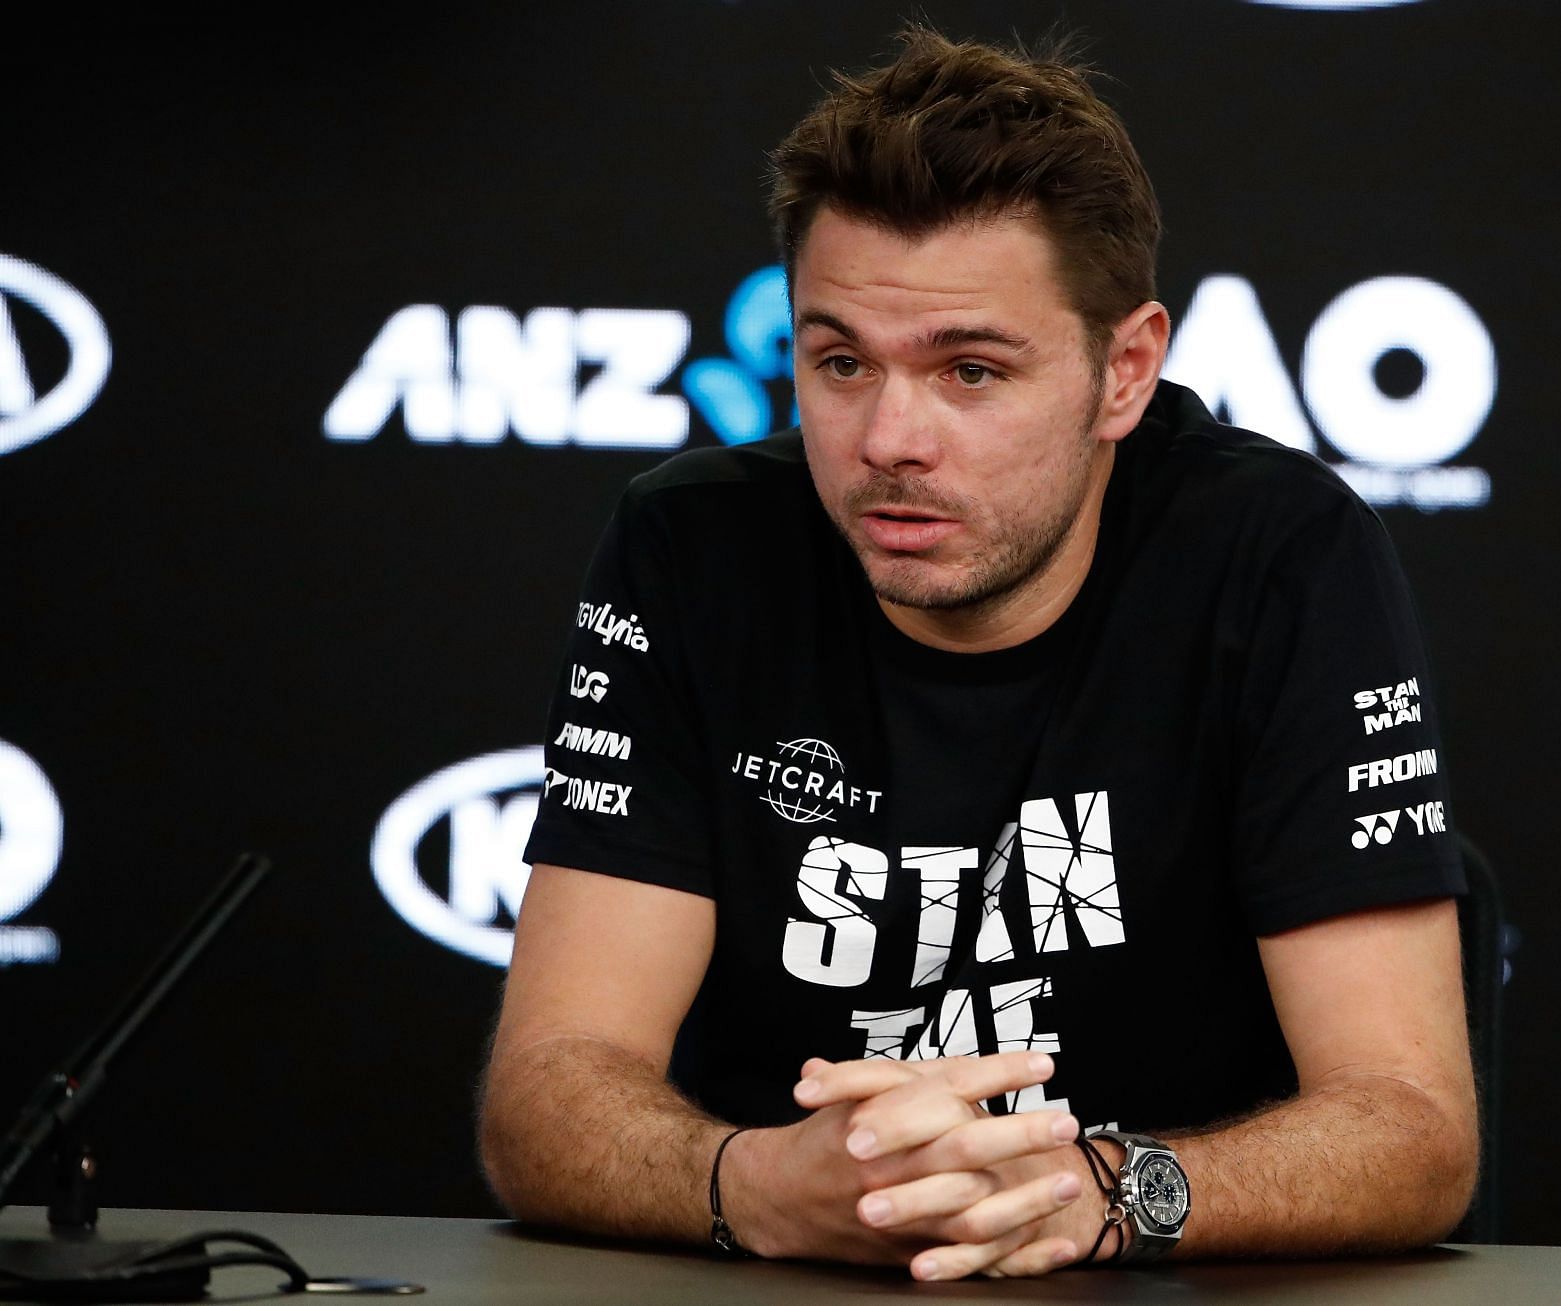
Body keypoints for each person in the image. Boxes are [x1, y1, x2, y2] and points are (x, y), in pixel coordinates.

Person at [480, 25, 1477, 1281]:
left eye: (969, 371)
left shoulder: (1280, 554)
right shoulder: (690, 548)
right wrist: (757, 1186)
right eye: (839, 360)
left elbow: (1414, 1126)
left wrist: (1097, 1194)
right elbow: (548, 1088)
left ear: (1124, 371)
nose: (891, 437)